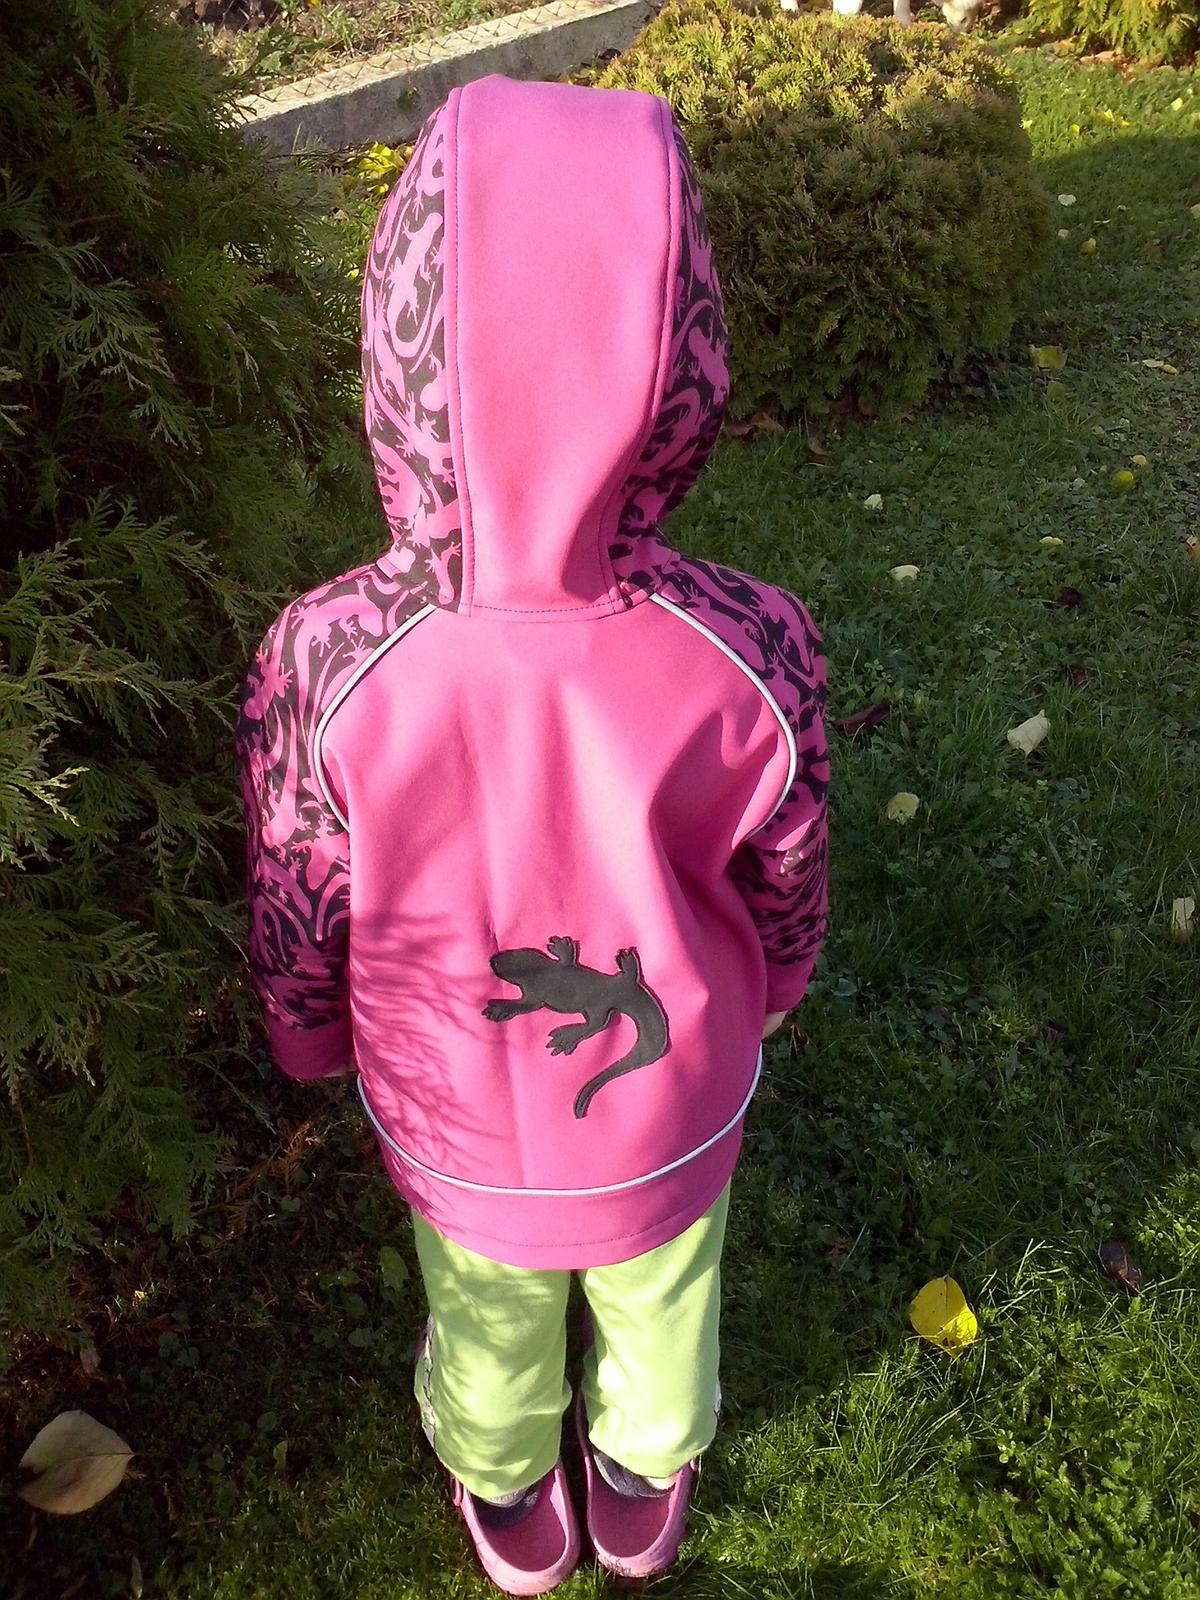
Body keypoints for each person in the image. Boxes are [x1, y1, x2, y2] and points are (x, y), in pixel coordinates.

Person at [237, 73, 829, 1597]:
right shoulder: (753, 640)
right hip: (671, 1098)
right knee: (665, 1297)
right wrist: (779, 984)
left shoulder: (325, 653)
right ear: (683, 348)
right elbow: (789, 857)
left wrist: (306, 1033)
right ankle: (643, 1461)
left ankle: (508, 1482)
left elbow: (300, 879)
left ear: (402, 340)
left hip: (458, 1111)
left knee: (487, 1314)